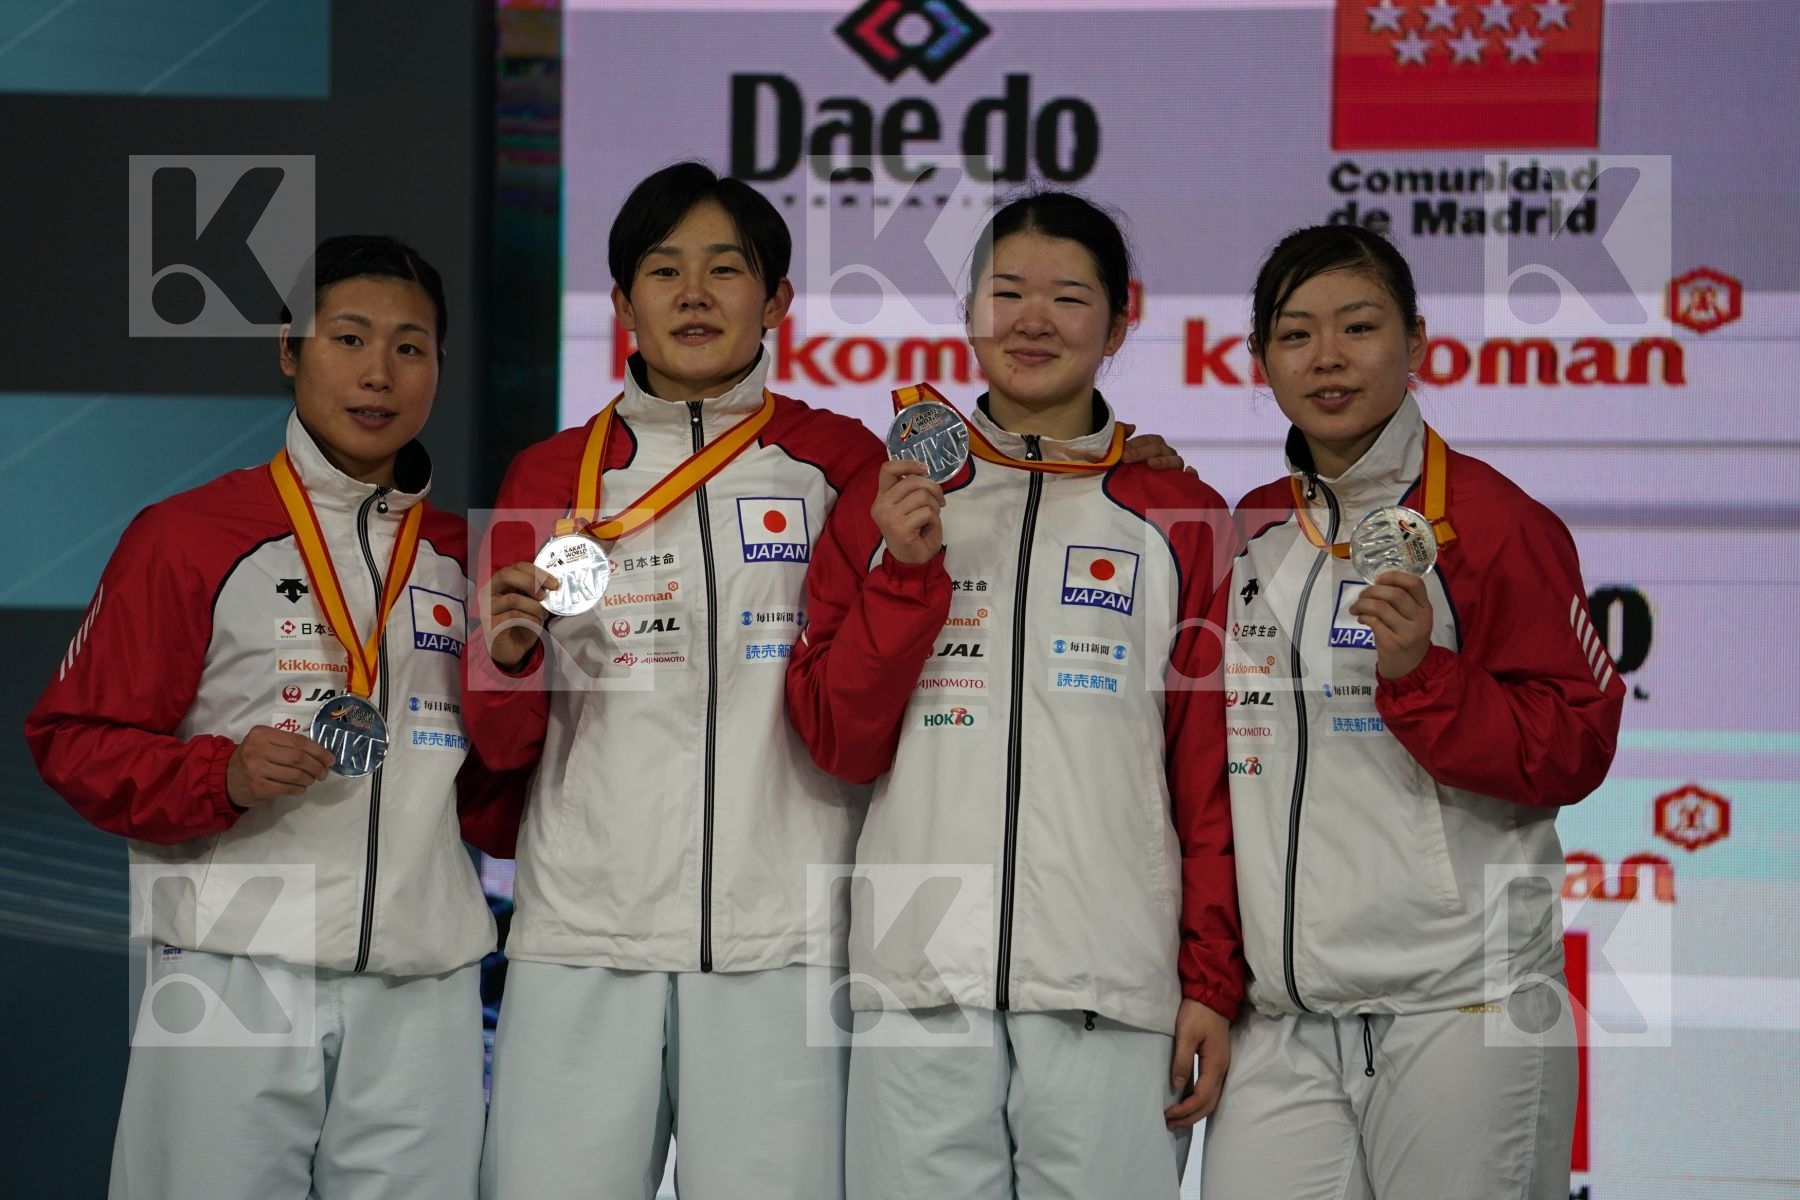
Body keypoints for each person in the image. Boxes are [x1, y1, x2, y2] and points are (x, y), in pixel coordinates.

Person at [468, 163, 1189, 1200]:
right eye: (663, 271)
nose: (694, 293)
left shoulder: (844, 464)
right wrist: (506, 662)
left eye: (726, 269)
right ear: (622, 304)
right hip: (582, 930)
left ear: (777, 302)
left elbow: (971, 528)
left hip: (789, 944)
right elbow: (499, 747)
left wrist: (1127, 461)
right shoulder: (551, 475)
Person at [25, 234, 520, 1199]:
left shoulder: (473, 559)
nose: (378, 374)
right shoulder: (187, 536)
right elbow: (73, 739)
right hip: (232, 970)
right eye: (348, 339)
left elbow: (500, 783)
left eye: (410, 348)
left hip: (424, 985)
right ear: (289, 351)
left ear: (440, 369)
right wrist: (221, 776)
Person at [784, 190, 1244, 1200]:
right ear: (969, 312)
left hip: (1108, 981)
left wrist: (1211, 978)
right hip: (917, 977)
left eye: (1068, 296)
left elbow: (1211, 775)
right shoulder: (886, 496)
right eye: (1006, 292)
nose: (1033, 321)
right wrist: (905, 572)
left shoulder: (1181, 515)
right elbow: (835, 739)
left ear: (1122, 318)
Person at [1198, 224, 1626, 1199]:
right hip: (1285, 1019)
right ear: (1259, 359)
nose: (1329, 357)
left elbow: (1576, 744)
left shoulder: (1493, 521)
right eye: (1297, 334)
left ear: (1417, 342)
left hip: (1461, 1005)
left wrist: (1423, 675)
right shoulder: (1249, 529)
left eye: (1359, 326)